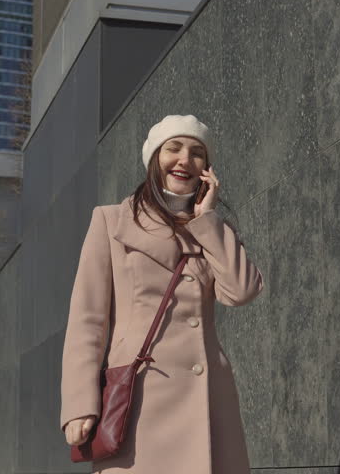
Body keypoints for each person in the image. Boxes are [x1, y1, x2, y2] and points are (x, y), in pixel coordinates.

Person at [60, 114, 265, 473]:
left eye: (197, 152)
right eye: (174, 148)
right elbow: (87, 320)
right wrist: (79, 403)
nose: (185, 159)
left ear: (207, 168)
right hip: (139, 400)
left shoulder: (211, 228)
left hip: (206, 399)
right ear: (154, 157)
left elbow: (242, 291)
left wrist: (208, 219)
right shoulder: (111, 222)